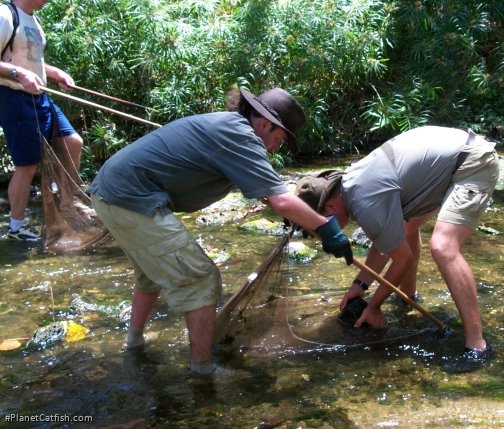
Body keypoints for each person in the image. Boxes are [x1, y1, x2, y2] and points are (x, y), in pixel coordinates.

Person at [87, 87, 353, 378]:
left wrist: (299, 216)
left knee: (151, 273)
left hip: (110, 193)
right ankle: (203, 369)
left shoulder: (229, 129)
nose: (277, 148)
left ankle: (134, 342)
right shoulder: (241, 136)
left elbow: (268, 194)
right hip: (130, 198)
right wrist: (328, 229)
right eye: (279, 139)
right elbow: (280, 199)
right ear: (265, 124)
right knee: (201, 278)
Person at [295, 126, 499, 373]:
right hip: (452, 157)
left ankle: (477, 345)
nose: (325, 230)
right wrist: (359, 286)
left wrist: (373, 306)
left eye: (320, 224)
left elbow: (402, 260)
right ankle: (409, 298)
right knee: (405, 226)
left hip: (472, 162)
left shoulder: (364, 200)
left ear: (328, 205)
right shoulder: (352, 184)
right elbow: (385, 243)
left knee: (444, 247)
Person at [0, 0, 83, 241]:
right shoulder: (6, 14)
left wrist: (54, 73)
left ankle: (66, 203)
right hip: (13, 96)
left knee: (72, 142)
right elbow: (17, 68)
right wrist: (19, 74)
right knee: (27, 165)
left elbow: (30, 59)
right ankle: (16, 227)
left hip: (39, 96)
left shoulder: (33, 19)